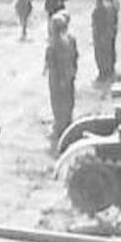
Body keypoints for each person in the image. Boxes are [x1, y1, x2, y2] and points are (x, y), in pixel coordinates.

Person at [45, 11, 79, 146]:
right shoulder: (69, 39)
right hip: (68, 74)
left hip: (57, 77)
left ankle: (60, 128)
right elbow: (75, 56)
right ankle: (67, 123)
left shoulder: (54, 44)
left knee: (58, 103)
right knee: (68, 100)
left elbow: (51, 63)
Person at [91, 0, 118, 82]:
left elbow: (98, 25)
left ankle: (104, 72)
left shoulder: (99, 8)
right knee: (109, 52)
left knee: (102, 54)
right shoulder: (109, 6)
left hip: (102, 35)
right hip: (109, 33)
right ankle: (109, 70)